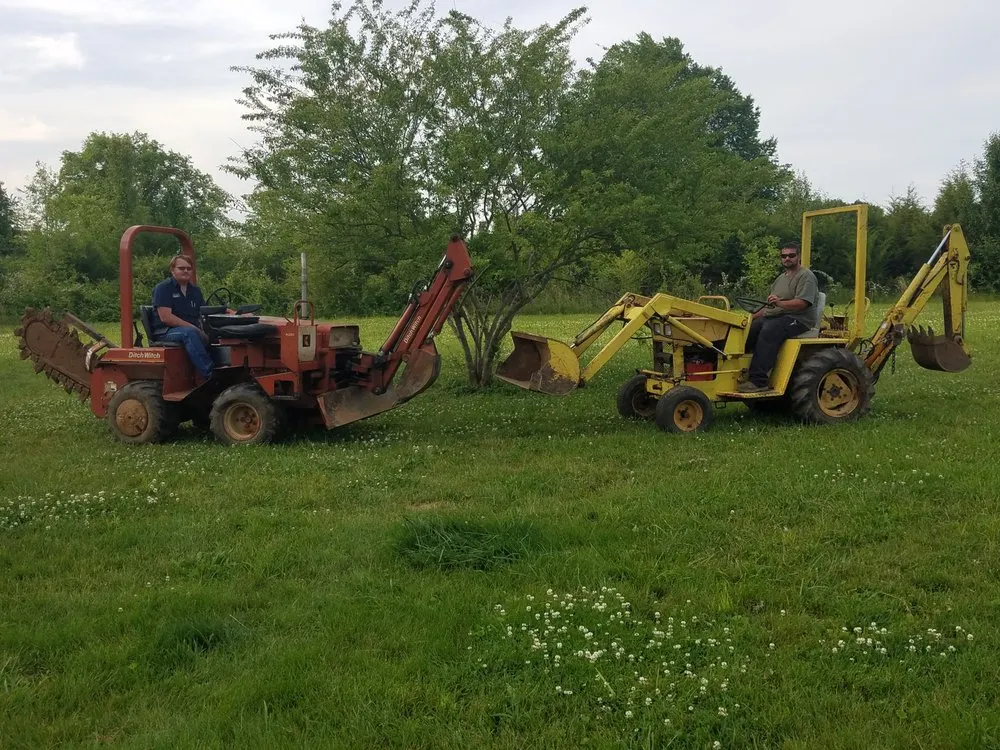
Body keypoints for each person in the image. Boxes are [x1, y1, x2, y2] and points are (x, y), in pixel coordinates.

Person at [738, 242, 818, 393]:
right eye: (784, 256)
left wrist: (780, 303)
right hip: (779, 316)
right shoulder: (781, 278)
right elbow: (771, 307)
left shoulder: (806, 276)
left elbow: (802, 303)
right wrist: (750, 318)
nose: (787, 258)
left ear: (798, 256)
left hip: (799, 319)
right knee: (750, 328)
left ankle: (758, 381)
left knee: (770, 329)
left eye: (791, 255)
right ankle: (738, 370)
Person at [152, 254, 214, 380]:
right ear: (172, 270)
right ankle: (210, 375)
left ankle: (226, 368)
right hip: (166, 331)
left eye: (189, 268)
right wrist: (196, 329)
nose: (186, 271)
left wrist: (232, 312)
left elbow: (206, 310)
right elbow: (166, 318)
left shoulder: (195, 291)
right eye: (181, 268)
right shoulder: (163, 288)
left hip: (190, 329)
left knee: (218, 332)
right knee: (190, 333)